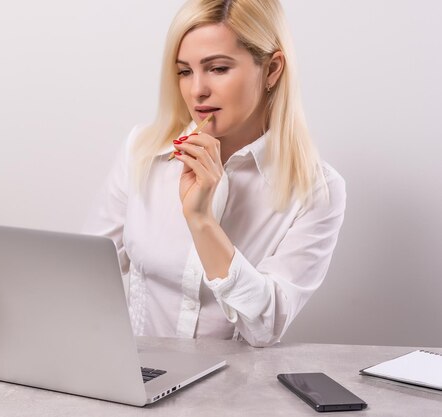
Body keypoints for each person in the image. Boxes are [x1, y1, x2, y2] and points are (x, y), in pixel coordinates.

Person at [83, 0, 346, 347]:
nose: (197, 90)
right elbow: (86, 274)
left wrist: (201, 220)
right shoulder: (143, 150)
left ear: (272, 70)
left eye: (218, 68)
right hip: (137, 378)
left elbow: (265, 327)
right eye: (185, 71)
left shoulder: (316, 191)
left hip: (235, 393)